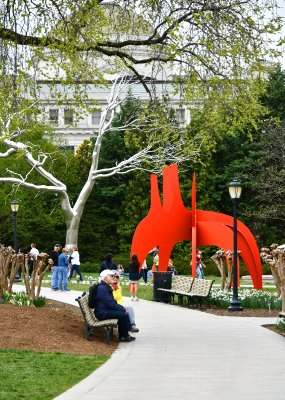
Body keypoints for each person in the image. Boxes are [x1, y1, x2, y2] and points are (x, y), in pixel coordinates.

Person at [95, 269, 135, 342]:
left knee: (123, 312)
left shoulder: (105, 287)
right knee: (122, 314)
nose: (113, 277)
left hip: (104, 310)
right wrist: (122, 309)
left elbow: (112, 302)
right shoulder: (102, 288)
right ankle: (124, 336)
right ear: (106, 278)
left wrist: (121, 308)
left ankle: (125, 334)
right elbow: (109, 303)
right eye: (111, 276)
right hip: (102, 313)